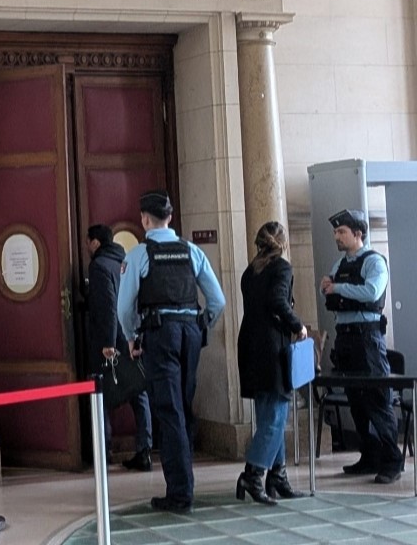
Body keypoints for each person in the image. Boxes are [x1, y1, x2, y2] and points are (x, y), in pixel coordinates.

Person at [117, 190, 226, 514]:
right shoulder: (192, 251)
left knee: (169, 410)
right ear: (170, 218)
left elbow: (125, 308)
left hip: (159, 334)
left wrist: (132, 336)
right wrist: (200, 324)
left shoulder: (138, 254)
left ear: (145, 219)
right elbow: (217, 301)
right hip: (190, 333)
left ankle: (180, 493)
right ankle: (183, 483)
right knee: (183, 405)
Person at [320, 209, 402, 484]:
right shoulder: (339, 264)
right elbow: (329, 287)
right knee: (356, 402)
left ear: (358, 234)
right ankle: (370, 456)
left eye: (341, 232)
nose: (337, 237)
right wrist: (327, 286)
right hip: (345, 337)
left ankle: (392, 461)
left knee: (377, 401)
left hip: (367, 338)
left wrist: (338, 289)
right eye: (335, 232)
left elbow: (371, 292)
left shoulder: (374, 262)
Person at [236, 221, 308, 506]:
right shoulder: (281, 268)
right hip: (271, 346)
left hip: (250, 344)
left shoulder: (250, 271)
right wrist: (298, 325)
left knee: (268, 413)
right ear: (283, 243)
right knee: (276, 415)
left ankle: (277, 476)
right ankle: (252, 474)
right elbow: (278, 300)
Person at [86, 224, 153, 472]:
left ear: (95, 243)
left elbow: (107, 308)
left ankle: (103, 453)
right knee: (138, 392)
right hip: (133, 336)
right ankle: (144, 449)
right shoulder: (125, 262)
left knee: (101, 395)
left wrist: (107, 343)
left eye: (87, 243)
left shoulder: (100, 267)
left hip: (113, 341)